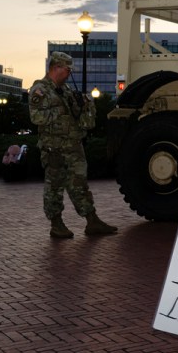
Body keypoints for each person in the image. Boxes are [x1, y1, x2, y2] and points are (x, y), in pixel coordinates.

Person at [28, 52, 117, 239]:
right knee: (55, 186)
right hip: (54, 148)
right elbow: (36, 117)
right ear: (56, 68)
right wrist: (60, 113)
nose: (69, 73)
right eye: (67, 69)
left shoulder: (66, 90)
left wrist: (84, 106)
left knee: (79, 183)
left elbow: (76, 116)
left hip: (73, 146)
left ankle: (92, 220)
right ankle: (56, 224)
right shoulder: (40, 89)